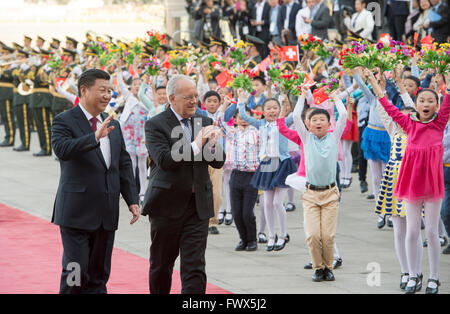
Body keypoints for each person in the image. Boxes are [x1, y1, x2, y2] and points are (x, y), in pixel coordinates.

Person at [51, 69, 140, 294]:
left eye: (110, 91)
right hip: (76, 213)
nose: (107, 95)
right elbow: (62, 150)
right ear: (84, 90)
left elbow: (123, 164)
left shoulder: (113, 124)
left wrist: (131, 198)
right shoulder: (64, 120)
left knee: (99, 276)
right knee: (75, 272)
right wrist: (94, 138)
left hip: (106, 213)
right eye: (102, 90)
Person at [141, 74, 225, 294]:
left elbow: (217, 161)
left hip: (197, 206)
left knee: (195, 266)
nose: (194, 101)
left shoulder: (204, 121)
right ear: (172, 98)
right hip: (166, 206)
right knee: (162, 264)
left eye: (196, 96)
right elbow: (166, 161)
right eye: (188, 97)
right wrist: (197, 144)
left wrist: (213, 145)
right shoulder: (155, 125)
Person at [369, 71, 450, 295]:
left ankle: (434, 278)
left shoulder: (440, 123)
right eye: (421, 100)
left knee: (432, 232)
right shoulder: (408, 123)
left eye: (430, 101)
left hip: (432, 184)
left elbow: (448, 101)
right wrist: (376, 84)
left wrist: (447, 81)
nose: (426, 104)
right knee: (412, 231)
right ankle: (414, 275)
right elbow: (387, 105)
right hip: (411, 183)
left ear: (437, 105)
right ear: (415, 104)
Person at [293, 85, 348, 282]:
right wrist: (301, 97)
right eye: (314, 120)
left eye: (322, 120)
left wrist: (335, 98)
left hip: (330, 194)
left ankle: (328, 267)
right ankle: (318, 268)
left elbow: (343, 116)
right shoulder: (306, 138)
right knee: (313, 236)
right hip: (310, 194)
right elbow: (295, 117)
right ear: (308, 124)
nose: (318, 122)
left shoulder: (333, 138)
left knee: (328, 236)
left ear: (328, 124)